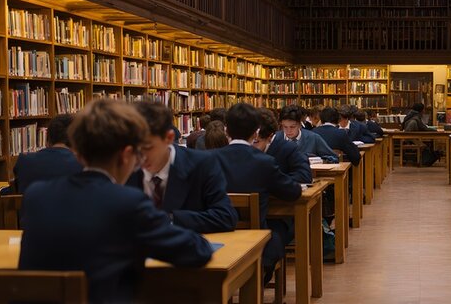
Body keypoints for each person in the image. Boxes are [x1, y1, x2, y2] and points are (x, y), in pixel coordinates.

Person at [19, 99, 212, 303]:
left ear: (77, 153)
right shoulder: (128, 203)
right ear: (126, 155)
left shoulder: (36, 195)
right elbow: (196, 252)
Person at [213, 103, 302, 285]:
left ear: (227, 131)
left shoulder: (208, 159)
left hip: (218, 234)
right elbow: (293, 192)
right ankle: (257, 282)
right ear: (255, 132)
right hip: (255, 236)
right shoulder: (264, 162)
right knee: (281, 234)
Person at [126, 101, 237, 234]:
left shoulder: (202, 164)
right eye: (134, 149)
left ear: (169, 138)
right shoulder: (126, 167)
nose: (140, 157)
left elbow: (225, 217)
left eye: (147, 147)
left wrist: (169, 220)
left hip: (187, 247)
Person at [12, 113, 83, 193]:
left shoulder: (24, 161)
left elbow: (14, 191)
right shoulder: (82, 165)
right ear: (75, 141)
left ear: (47, 141)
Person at [255, 107, 312, 184]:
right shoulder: (243, 148)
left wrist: (274, 181)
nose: (250, 146)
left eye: (256, 142)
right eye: (248, 141)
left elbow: (304, 176)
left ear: (269, 137)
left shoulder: (289, 148)